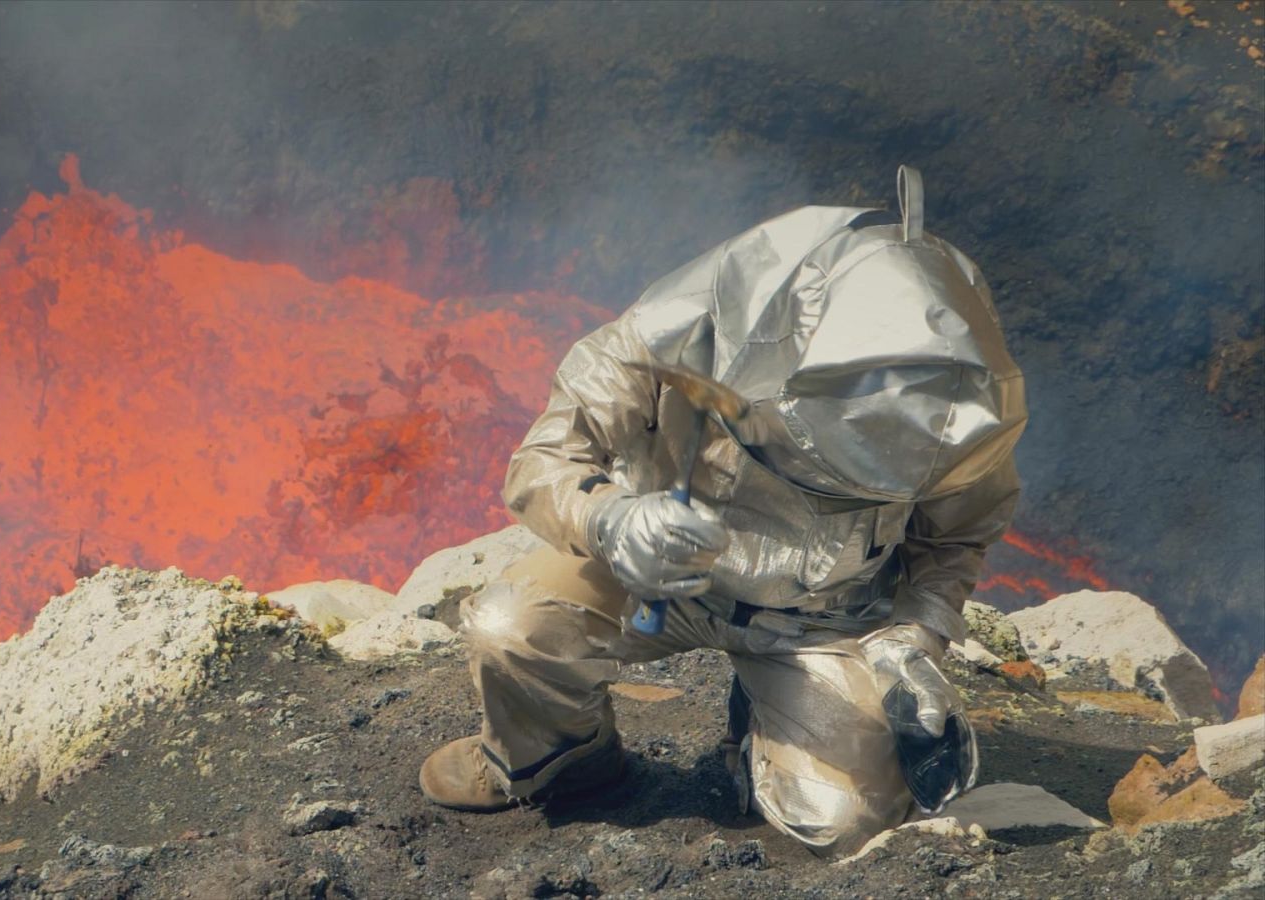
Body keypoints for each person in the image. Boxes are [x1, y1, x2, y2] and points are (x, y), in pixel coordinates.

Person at [418, 167, 1027, 856]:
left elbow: (957, 541)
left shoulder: (955, 406)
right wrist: (610, 521)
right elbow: (541, 463)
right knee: (511, 627)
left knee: (843, 821)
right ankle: (559, 760)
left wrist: (914, 642)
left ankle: (761, 736)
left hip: (817, 617)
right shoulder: (673, 335)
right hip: (655, 575)